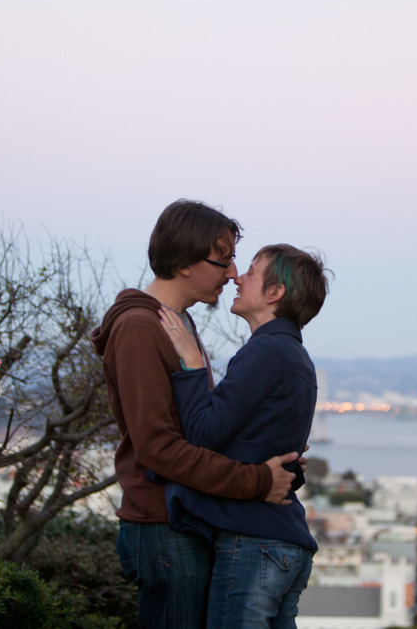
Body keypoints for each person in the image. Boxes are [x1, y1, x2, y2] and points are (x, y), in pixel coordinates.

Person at [90, 201, 300, 629]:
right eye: (223, 260)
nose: (232, 273)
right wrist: (257, 481)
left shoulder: (177, 323)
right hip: (162, 524)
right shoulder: (139, 328)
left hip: (185, 517)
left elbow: (201, 427)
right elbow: (158, 448)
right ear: (185, 262)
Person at [158, 243, 329, 628]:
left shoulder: (266, 352)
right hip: (284, 543)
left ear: (275, 292)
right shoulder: (296, 358)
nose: (237, 278)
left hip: (254, 543)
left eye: (251, 272)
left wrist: (193, 365)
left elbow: (202, 433)